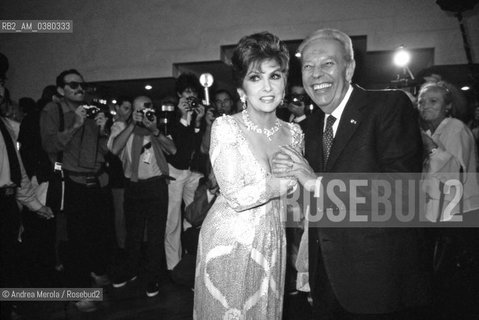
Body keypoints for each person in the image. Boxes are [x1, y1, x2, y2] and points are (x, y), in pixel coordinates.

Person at [272, 28, 431, 319]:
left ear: (350, 67)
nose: (316, 75)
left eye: (327, 64)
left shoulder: (389, 106)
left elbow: (401, 194)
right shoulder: (309, 128)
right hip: (326, 282)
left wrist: (315, 183)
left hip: (377, 283)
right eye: (308, 66)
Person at [194, 31, 302, 320]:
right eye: (255, 78)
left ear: (284, 82)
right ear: (241, 90)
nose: (267, 87)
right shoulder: (225, 127)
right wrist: (289, 182)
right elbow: (237, 197)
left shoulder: (295, 132)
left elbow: (294, 202)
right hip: (228, 242)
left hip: (273, 238)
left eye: (275, 76)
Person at [40, 69, 111, 312]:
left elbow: (100, 151)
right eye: (73, 85)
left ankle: (93, 275)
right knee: (75, 241)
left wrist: (103, 132)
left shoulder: (91, 111)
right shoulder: (54, 110)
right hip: (70, 182)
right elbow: (49, 144)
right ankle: (79, 291)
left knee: (95, 236)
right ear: (61, 89)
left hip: (95, 183)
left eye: (82, 85)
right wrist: (76, 124)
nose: (80, 89)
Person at [108, 95, 176, 297]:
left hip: (156, 186)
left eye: (147, 108)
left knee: (155, 235)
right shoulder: (121, 128)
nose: (144, 113)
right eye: (139, 110)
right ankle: (130, 271)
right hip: (134, 187)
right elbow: (114, 149)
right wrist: (132, 125)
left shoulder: (157, 127)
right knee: (133, 235)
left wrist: (153, 129)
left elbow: (172, 149)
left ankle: (152, 276)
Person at [1, 71, 53, 320]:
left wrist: (33, 203)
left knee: (9, 257)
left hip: (7, 200)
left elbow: (16, 167)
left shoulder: (8, 128)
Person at [165, 73, 206, 271]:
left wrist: (197, 122)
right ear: (180, 93)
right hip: (174, 171)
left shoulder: (197, 113)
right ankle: (173, 264)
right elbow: (175, 147)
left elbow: (196, 147)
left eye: (194, 92)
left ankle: (193, 257)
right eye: (188, 92)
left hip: (192, 172)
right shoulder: (171, 114)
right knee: (172, 219)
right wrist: (182, 118)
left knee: (193, 215)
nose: (191, 96)